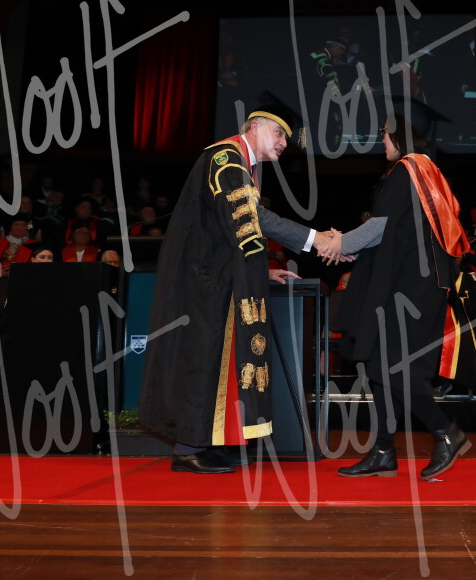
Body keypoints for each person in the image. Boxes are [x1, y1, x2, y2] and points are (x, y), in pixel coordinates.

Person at [139, 98, 343, 475]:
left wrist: (262, 274)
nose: (283, 143)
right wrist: (316, 238)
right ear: (255, 126)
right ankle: (187, 449)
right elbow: (254, 217)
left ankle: (207, 443)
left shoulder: (242, 164)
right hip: (200, 281)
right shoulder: (226, 159)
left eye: (286, 138)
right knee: (201, 360)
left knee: (221, 363)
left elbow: (233, 231)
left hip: (215, 277)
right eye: (279, 133)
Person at [334, 113, 474, 481]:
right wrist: (353, 248)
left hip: (411, 287)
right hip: (420, 283)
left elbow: (380, 227)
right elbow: (400, 234)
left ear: (402, 134)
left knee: (391, 366)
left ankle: (445, 432)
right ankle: (383, 451)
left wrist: (341, 243)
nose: (381, 140)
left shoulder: (407, 171)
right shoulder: (427, 172)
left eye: (385, 133)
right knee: (383, 366)